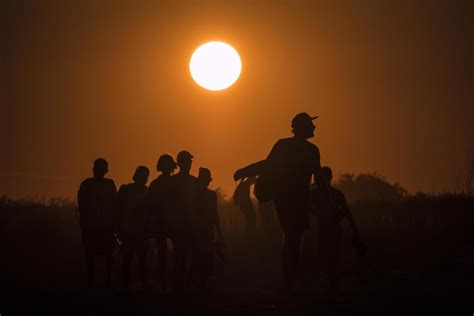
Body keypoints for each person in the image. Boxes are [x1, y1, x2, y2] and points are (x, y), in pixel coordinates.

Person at [234, 112, 333, 293]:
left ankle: (289, 278)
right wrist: (245, 171)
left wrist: (244, 170)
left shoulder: (288, 146)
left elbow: (267, 165)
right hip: (293, 197)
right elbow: (318, 178)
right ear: (304, 127)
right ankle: (289, 278)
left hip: (290, 198)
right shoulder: (308, 150)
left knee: (291, 236)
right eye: (310, 125)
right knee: (293, 236)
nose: (314, 127)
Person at [311, 166, 365, 295]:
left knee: (332, 260)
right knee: (326, 260)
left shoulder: (332, 195)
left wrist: (355, 233)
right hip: (326, 231)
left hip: (332, 232)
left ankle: (332, 287)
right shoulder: (317, 195)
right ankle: (331, 287)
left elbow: (347, 213)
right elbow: (306, 209)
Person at [77, 158, 117, 287]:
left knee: (108, 255)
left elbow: (116, 205)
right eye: (96, 168)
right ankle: (90, 281)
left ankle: (108, 281)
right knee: (90, 254)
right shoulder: (86, 184)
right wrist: (84, 224)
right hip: (91, 226)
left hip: (107, 226)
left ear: (106, 171)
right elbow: (81, 206)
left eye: (101, 168)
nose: (98, 171)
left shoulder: (110, 184)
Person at [146, 154, 177, 291]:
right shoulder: (158, 184)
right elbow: (151, 206)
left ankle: (170, 281)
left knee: (175, 253)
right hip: (162, 223)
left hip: (174, 222)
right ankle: (164, 281)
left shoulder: (158, 184)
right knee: (164, 253)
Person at [191, 167, 224, 291]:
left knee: (206, 256)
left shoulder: (210, 195)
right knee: (198, 256)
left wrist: (219, 233)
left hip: (206, 229)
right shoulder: (195, 195)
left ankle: (204, 284)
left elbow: (215, 215)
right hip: (198, 229)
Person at [169, 150, 198, 291]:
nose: (189, 163)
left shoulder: (193, 181)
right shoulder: (174, 181)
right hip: (180, 224)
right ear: (180, 163)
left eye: (190, 161)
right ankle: (179, 283)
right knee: (180, 254)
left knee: (189, 255)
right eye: (187, 161)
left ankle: (185, 283)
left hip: (190, 223)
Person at [117, 166, 150, 289]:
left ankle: (141, 284)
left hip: (140, 231)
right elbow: (118, 210)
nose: (144, 178)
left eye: (145, 176)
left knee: (140, 260)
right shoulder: (126, 190)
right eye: (143, 175)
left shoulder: (147, 192)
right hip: (128, 230)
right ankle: (127, 284)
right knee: (128, 259)